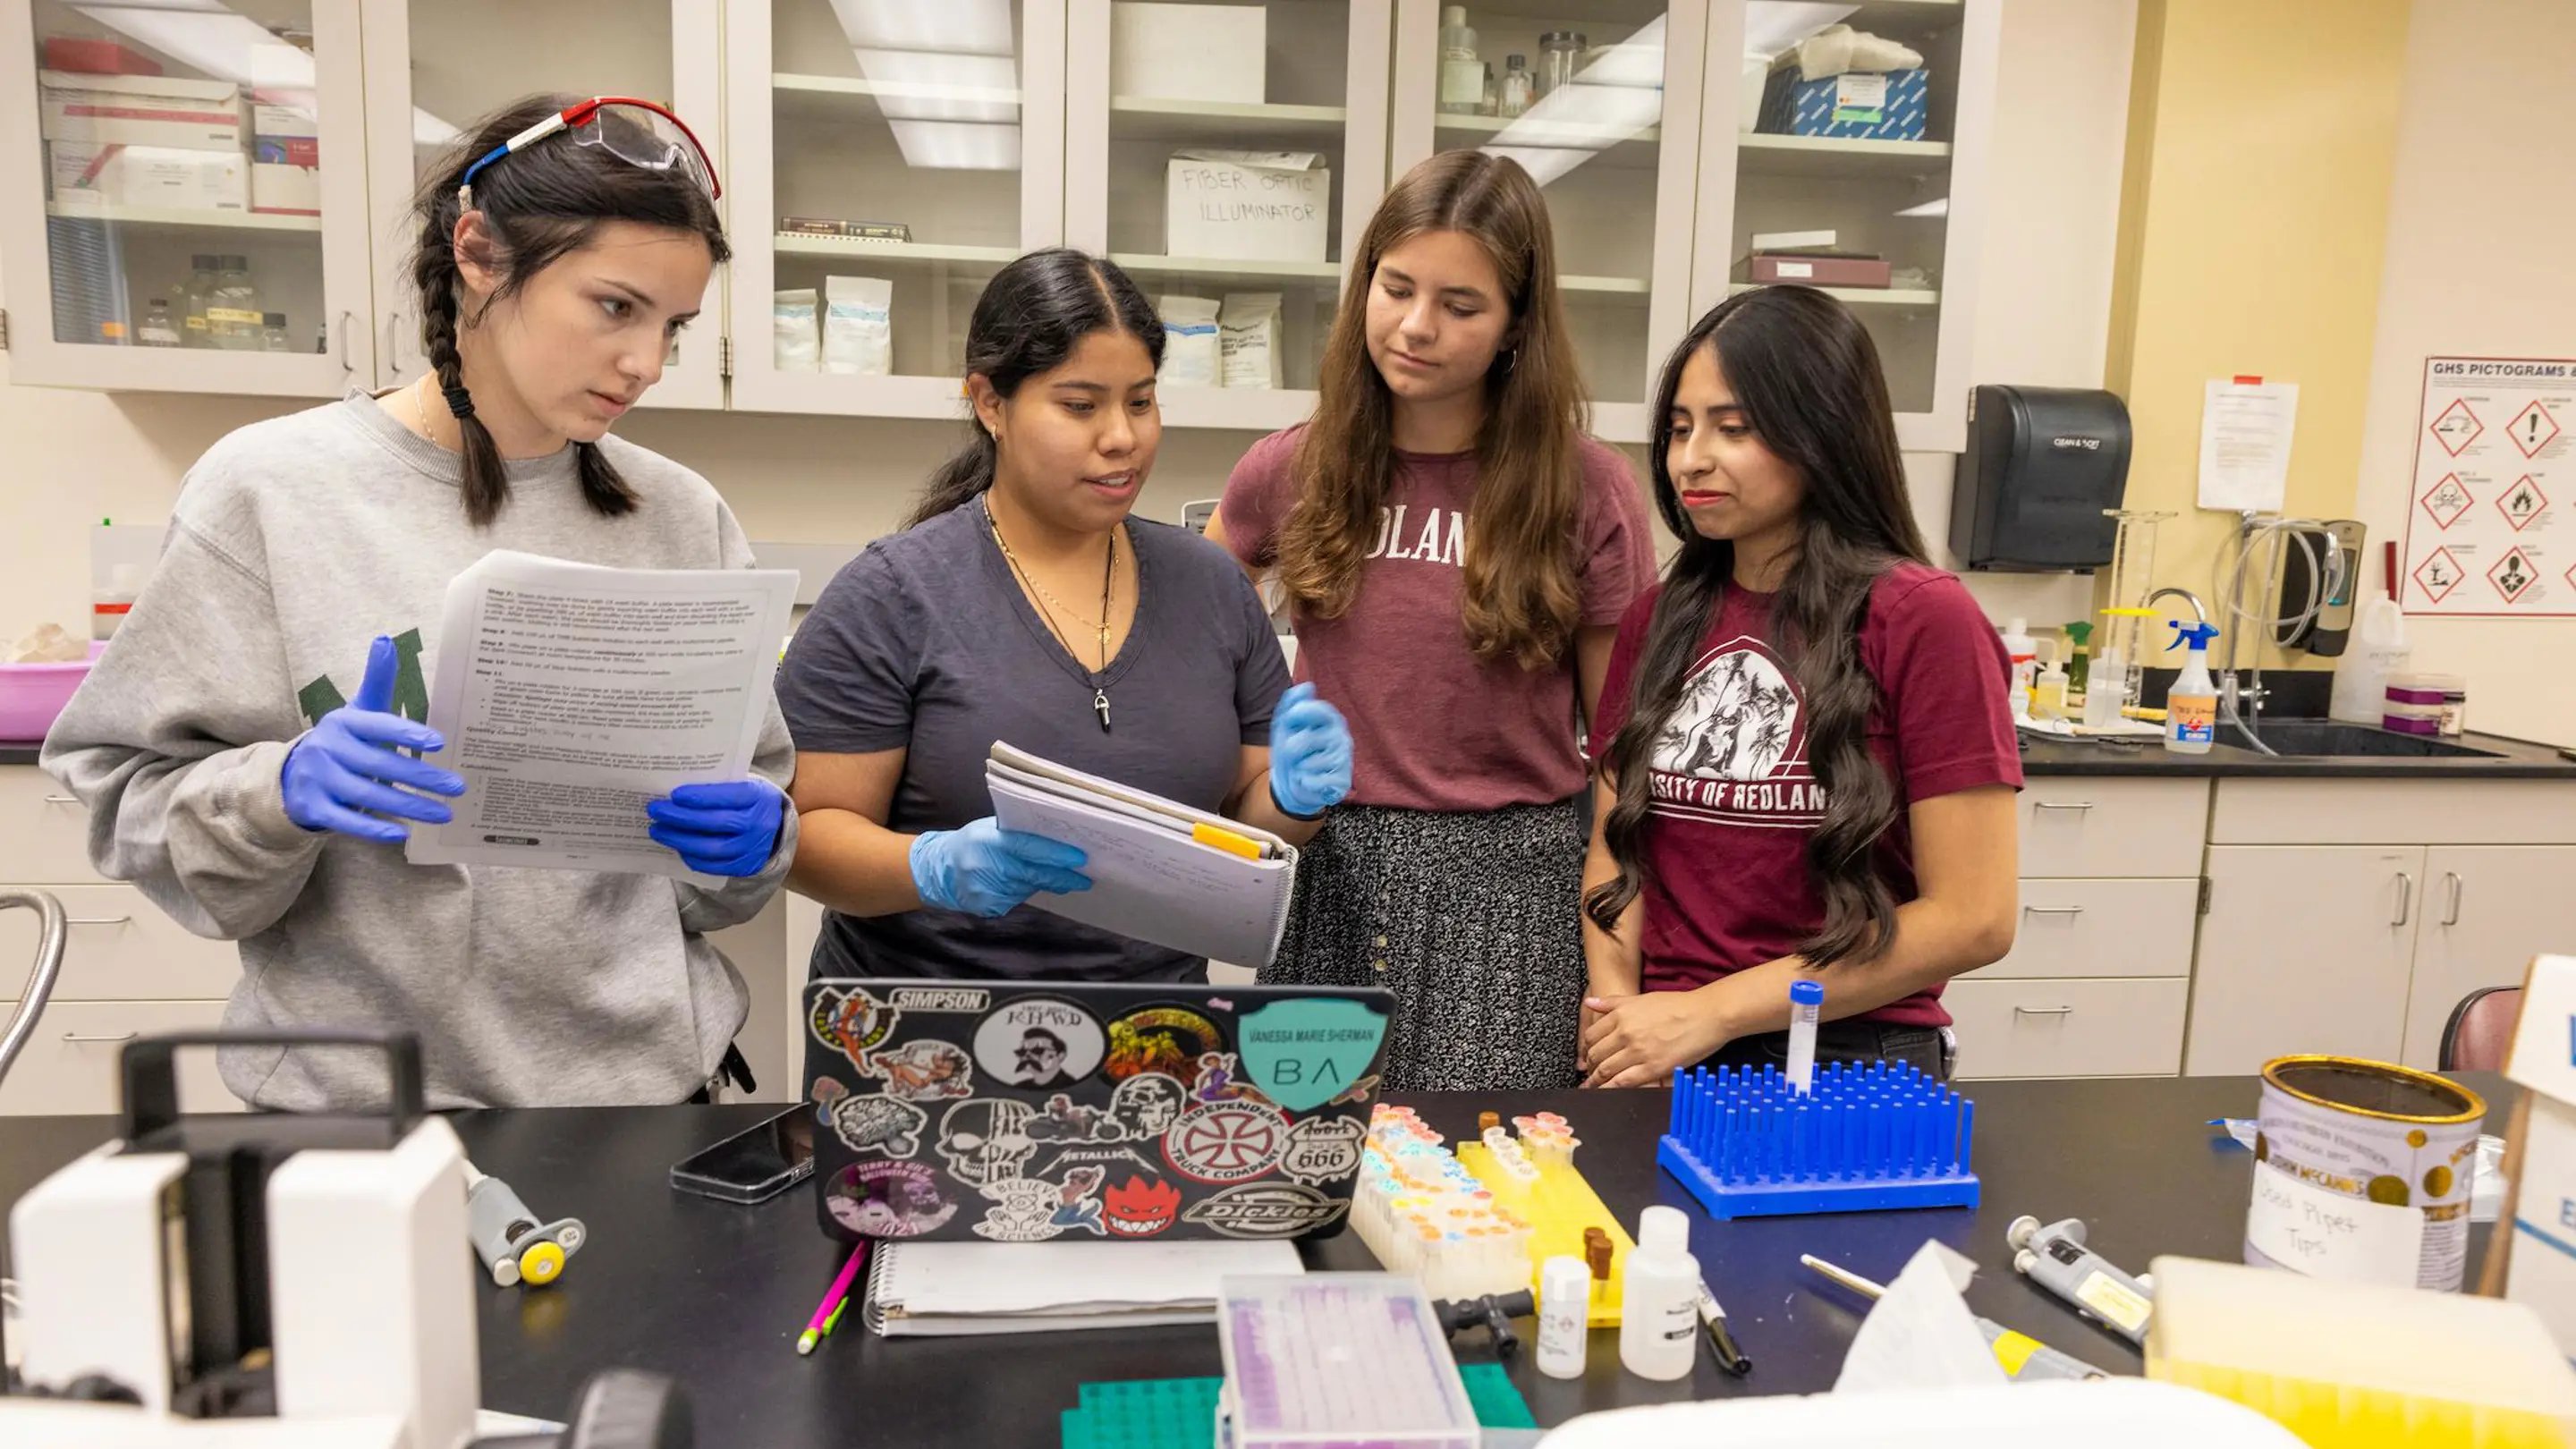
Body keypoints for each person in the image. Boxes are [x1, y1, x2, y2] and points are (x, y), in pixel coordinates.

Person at [40, 96, 792, 1111]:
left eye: (675, 327)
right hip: (354, 1114)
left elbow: (725, 873)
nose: (647, 364)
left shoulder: (678, 515)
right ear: (479, 252)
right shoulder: (270, 491)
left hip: (641, 1103)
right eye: (616, 307)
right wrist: (280, 789)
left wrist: (756, 842)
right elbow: (120, 790)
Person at [778, 249, 1352, 982]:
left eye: (1141, 401)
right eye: (1080, 405)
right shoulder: (892, 594)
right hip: (925, 1039)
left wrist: (1291, 801)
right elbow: (809, 838)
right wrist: (933, 867)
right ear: (990, 403)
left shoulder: (1210, 586)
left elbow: (1246, 831)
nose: (1122, 436)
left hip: (1154, 1036)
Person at [1208, 151, 1652, 1090]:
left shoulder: (1586, 488)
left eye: (1461, 305)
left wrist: (1615, 967)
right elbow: (1187, 648)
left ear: (1515, 327)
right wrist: (1261, 764)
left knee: (1484, 1186)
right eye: (1396, 287)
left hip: (1513, 893)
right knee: (1308, 1171)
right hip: (1329, 869)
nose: (1415, 327)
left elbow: (1623, 747)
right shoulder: (1289, 468)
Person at [1577, 287, 2021, 1087]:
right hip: (1660, 1052)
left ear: (1822, 433)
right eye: (1680, 428)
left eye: (1733, 428)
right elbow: (1616, 848)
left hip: (1846, 1060)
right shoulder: (1660, 617)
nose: (1690, 458)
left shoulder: (1922, 619)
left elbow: (1975, 917)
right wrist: (1618, 1016)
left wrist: (1710, 1012)